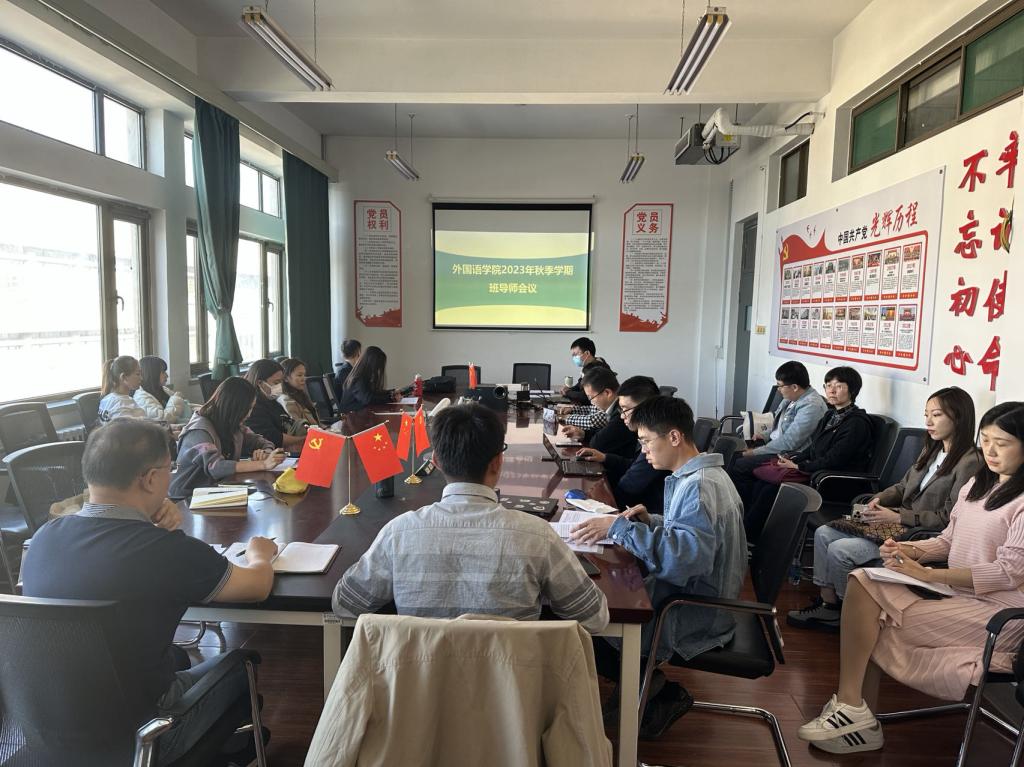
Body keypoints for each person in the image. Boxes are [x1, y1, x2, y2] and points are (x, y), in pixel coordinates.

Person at [21, 419, 278, 764]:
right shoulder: (167, 551)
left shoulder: (43, 539)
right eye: (169, 470)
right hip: (145, 736)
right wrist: (260, 554)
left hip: (48, 731)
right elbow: (257, 586)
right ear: (151, 479)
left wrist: (149, 520)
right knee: (239, 668)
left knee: (177, 658)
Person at [796, 402, 1024, 755]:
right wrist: (910, 551)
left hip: (999, 613)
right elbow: (948, 540)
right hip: (958, 594)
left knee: (878, 622)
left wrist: (929, 573)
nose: (990, 451)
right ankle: (852, 707)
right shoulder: (977, 485)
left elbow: (1008, 572)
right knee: (864, 581)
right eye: (986, 440)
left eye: (1003, 443)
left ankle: (857, 716)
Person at [333, 403, 608, 634]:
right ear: (498, 462)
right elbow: (594, 618)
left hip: (422, 682)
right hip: (509, 683)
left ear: (436, 462)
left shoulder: (399, 532)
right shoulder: (537, 536)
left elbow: (345, 605)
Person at [571, 396, 747, 738]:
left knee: (584, 624)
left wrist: (619, 529)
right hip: (699, 597)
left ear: (674, 437)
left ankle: (656, 688)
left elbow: (682, 563)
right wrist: (652, 521)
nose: (644, 451)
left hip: (692, 609)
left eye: (646, 441)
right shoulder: (705, 475)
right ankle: (645, 685)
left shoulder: (699, 487)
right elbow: (696, 538)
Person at [789, 386, 981, 632]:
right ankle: (829, 604)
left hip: (915, 533)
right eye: (926, 415)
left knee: (840, 549)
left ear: (958, 417)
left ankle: (852, 616)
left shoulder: (970, 462)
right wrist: (878, 499)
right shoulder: (931, 449)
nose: (928, 422)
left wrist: (898, 516)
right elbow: (902, 487)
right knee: (824, 532)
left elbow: (948, 518)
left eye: (937, 415)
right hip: (893, 523)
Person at [742, 366, 876, 541]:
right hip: (816, 472)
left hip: (833, 481)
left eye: (839, 386)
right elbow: (813, 448)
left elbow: (834, 460)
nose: (832, 391)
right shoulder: (830, 416)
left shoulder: (856, 423)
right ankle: (750, 538)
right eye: (828, 385)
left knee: (772, 489)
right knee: (763, 482)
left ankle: (754, 540)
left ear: (852, 390)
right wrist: (793, 458)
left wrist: (799, 466)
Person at [728, 360, 826, 488]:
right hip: (774, 445)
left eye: (780, 386)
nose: (778, 390)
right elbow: (779, 425)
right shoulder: (791, 398)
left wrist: (754, 452)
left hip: (787, 454)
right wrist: (764, 435)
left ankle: (742, 500)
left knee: (739, 464)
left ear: (794, 387)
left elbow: (789, 443)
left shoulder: (811, 406)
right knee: (731, 455)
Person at [576, 375, 668, 512]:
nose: (621, 415)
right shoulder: (648, 434)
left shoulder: (656, 441)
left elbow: (628, 487)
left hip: (643, 513)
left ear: (645, 407)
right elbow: (633, 466)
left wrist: (597, 501)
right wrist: (605, 458)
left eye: (625, 409)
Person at [177, 377, 286, 479]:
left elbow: (262, 442)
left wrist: (266, 453)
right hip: (190, 491)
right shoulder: (199, 431)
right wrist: (263, 464)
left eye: (251, 408)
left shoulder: (233, 425)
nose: (249, 414)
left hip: (221, 487)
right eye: (246, 409)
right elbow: (216, 467)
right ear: (232, 407)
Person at [243, 358, 306, 452]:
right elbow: (273, 437)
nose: (280, 386)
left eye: (281, 382)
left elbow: (287, 422)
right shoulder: (253, 407)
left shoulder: (271, 400)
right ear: (259, 383)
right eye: (276, 382)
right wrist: (304, 439)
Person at [557, 366, 625, 448]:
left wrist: (564, 418)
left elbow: (597, 442)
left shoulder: (621, 412)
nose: (591, 402)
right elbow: (601, 433)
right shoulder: (614, 404)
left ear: (607, 393)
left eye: (591, 397)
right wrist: (583, 434)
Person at [337, 345, 399, 413]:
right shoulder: (358, 377)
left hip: (358, 412)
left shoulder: (363, 375)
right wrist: (391, 398)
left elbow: (373, 393)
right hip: (350, 415)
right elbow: (368, 399)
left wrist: (391, 392)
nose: (378, 368)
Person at [134, 356, 192, 425]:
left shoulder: (162, 389)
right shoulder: (141, 398)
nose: (167, 375)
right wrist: (177, 398)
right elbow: (165, 420)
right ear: (153, 374)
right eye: (163, 372)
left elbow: (183, 406)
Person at [558, 337, 608, 404]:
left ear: (587, 353)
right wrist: (569, 389)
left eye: (575, 354)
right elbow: (580, 385)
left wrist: (567, 393)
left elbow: (586, 396)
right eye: (573, 355)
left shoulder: (597, 370)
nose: (574, 358)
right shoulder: (591, 365)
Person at [98, 355, 147, 422]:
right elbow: (126, 428)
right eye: (138, 374)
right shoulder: (121, 403)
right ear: (123, 377)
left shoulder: (107, 398)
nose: (141, 378)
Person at [278, 358, 320, 428]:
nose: (304, 379)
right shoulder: (287, 400)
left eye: (304, 375)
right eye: (299, 375)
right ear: (285, 378)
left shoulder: (300, 394)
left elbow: (316, 422)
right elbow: (300, 429)